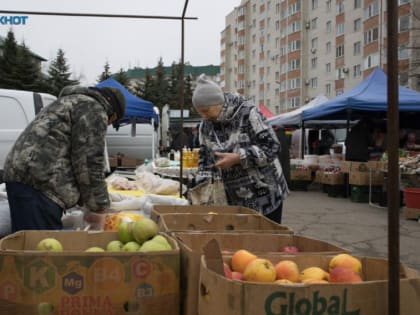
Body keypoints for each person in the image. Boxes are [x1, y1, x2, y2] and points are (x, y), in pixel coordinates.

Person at [3, 85, 126, 232]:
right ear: (113, 111)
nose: (108, 124)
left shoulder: (70, 102)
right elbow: (89, 163)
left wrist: (85, 200)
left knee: (26, 241)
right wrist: (99, 208)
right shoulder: (94, 108)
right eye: (112, 121)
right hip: (41, 181)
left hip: (22, 173)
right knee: (40, 248)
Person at [192, 74, 289, 223]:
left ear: (219, 103)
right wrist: (200, 187)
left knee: (266, 240)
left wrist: (239, 158)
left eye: (206, 110)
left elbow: (272, 147)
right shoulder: (206, 125)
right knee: (242, 242)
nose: (204, 116)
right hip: (234, 197)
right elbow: (204, 158)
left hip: (265, 193)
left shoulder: (249, 113)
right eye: (200, 112)